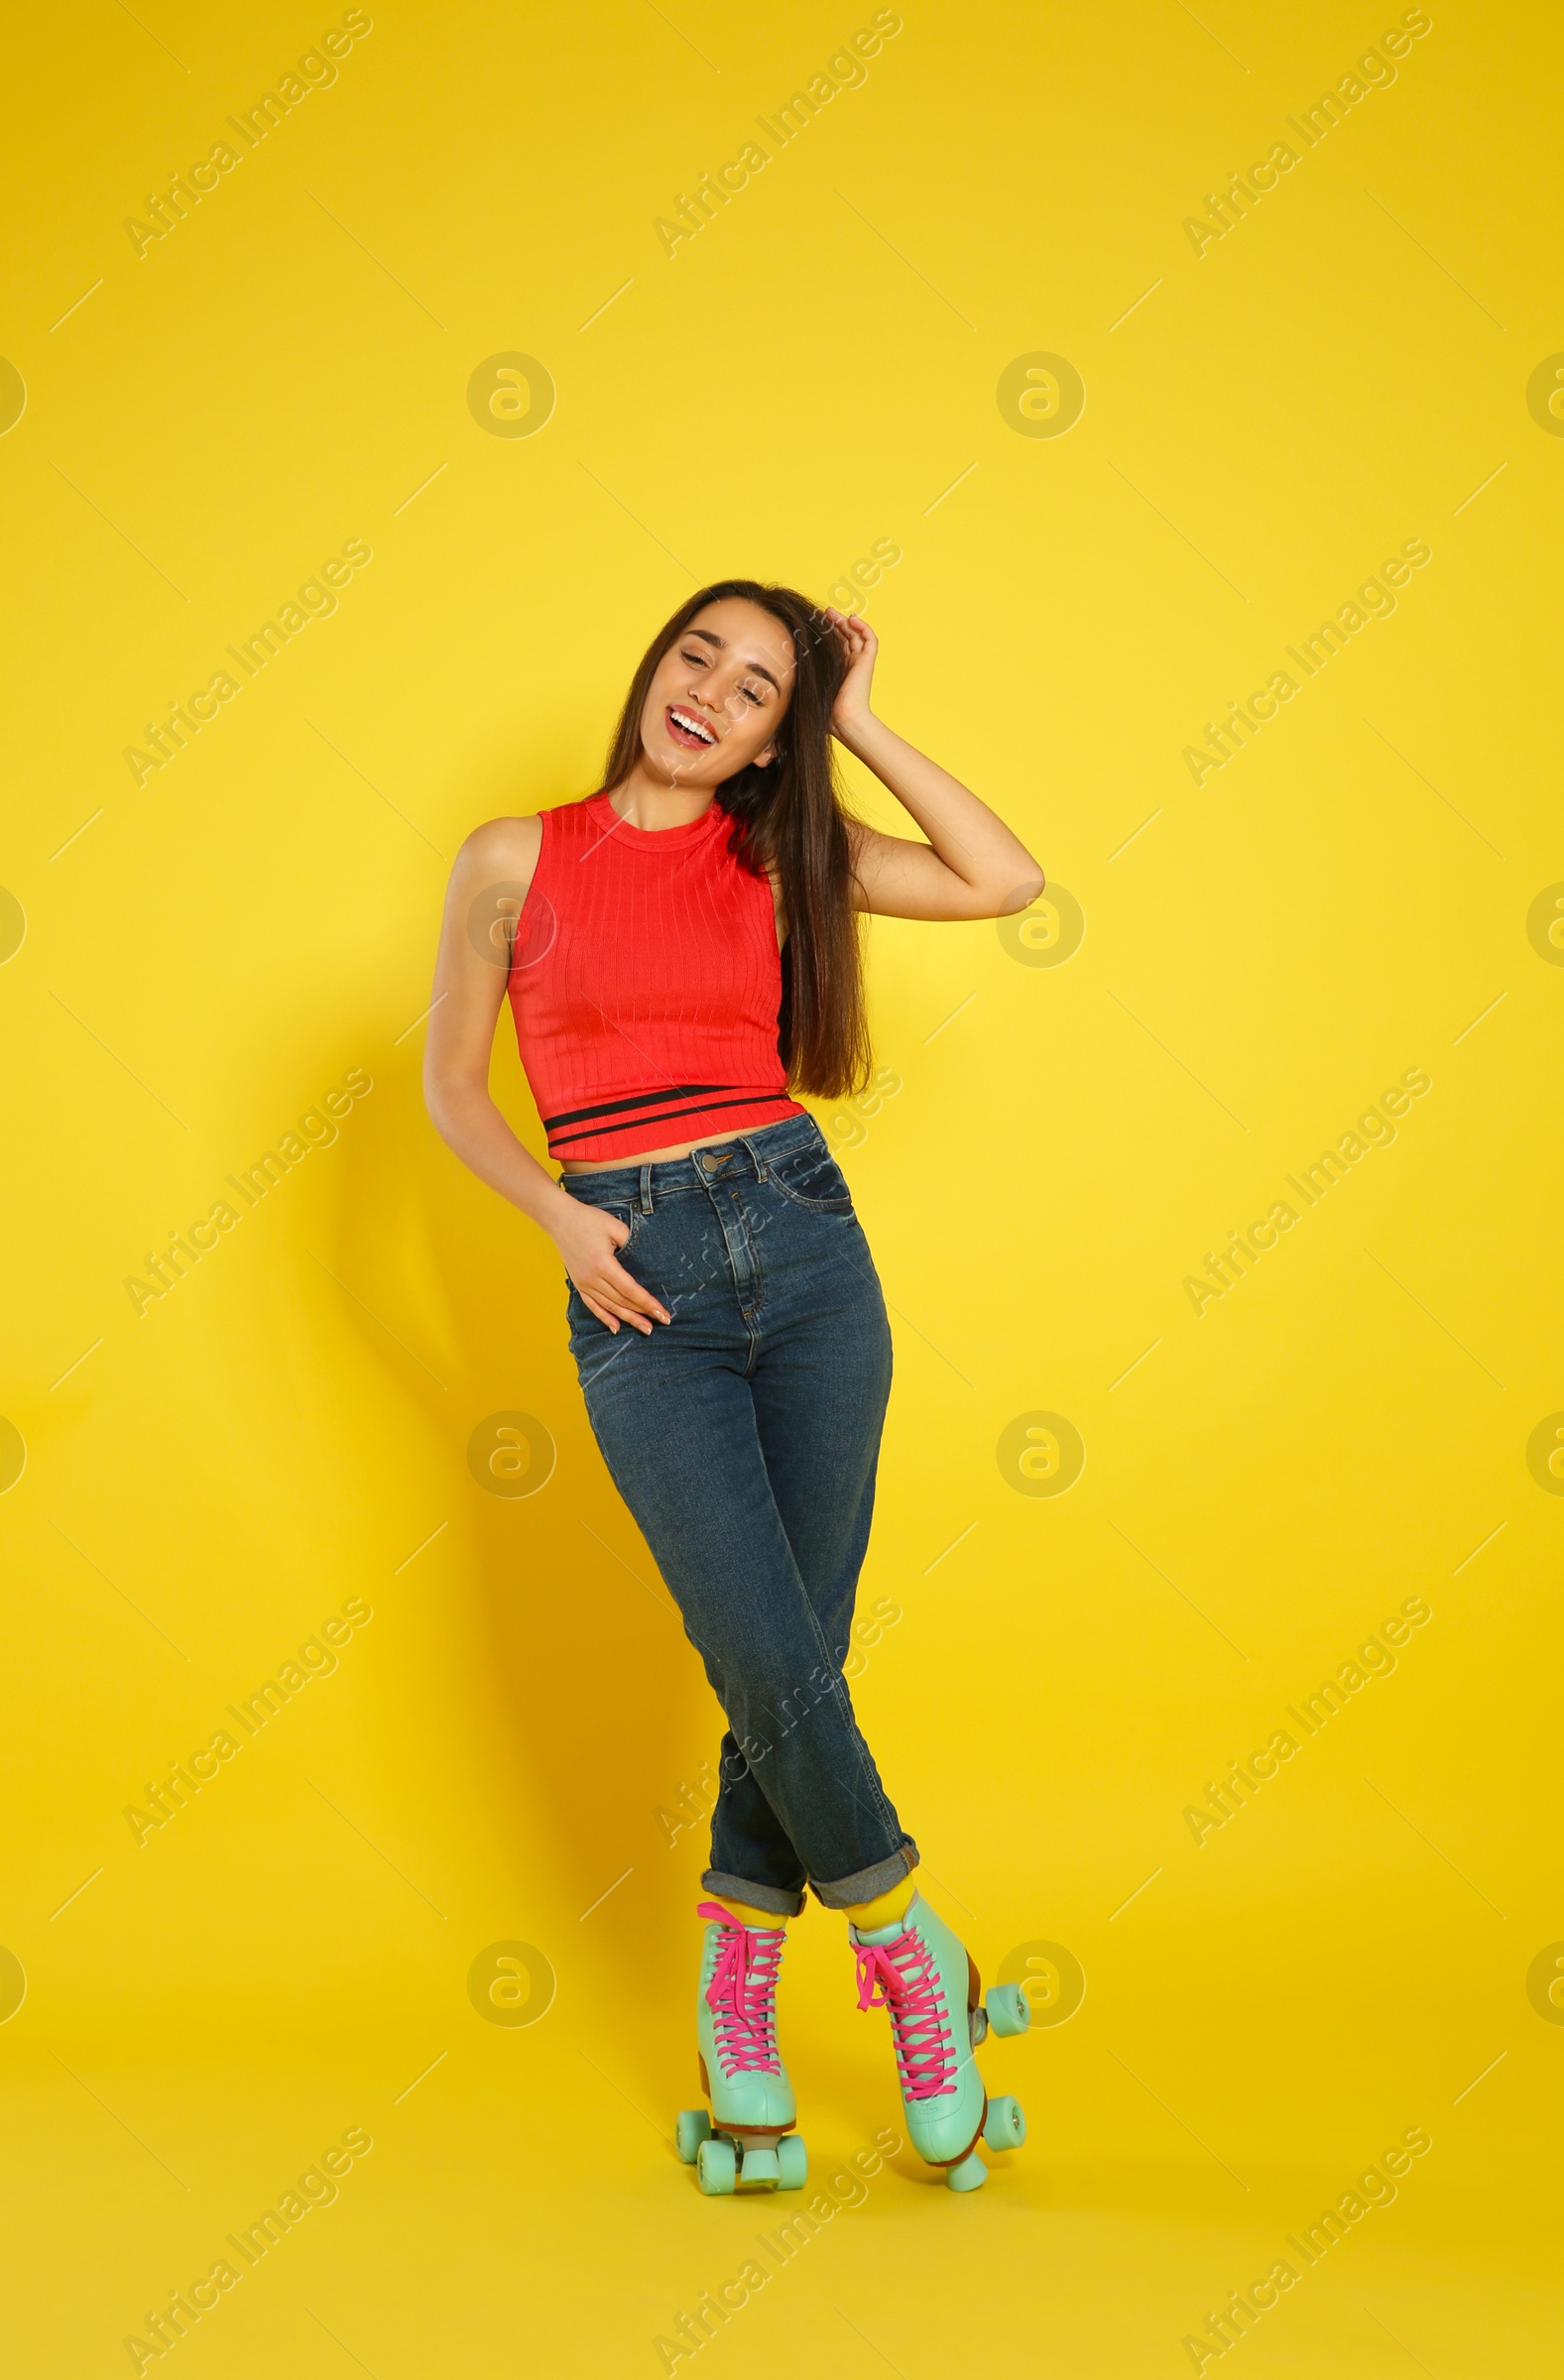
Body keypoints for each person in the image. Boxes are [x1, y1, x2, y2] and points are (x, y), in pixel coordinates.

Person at [423, 579, 1045, 2193]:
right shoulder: (515, 857)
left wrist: (865, 716)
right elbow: (446, 1081)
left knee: (798, 1653)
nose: (712, 691)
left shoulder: (780, 856)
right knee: (760, 1645)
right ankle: (916, 1959)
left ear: (781, 733)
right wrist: (557, 1213)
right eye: (701, 654)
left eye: (761, 687)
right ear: (655, 662)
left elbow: (1005, 877)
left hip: (809, 1248)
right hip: (639, 1284)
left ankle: (739, 1985)